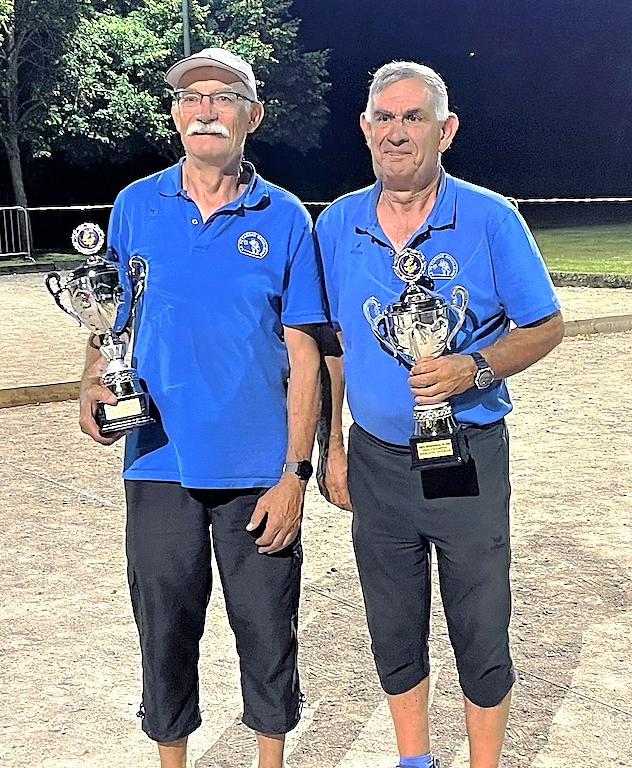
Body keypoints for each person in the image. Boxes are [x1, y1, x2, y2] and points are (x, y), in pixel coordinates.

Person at [77, 47, 326, 768]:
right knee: (163, 630)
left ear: (253, 114)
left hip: (257, 468)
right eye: (191, 98)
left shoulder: (283, 218)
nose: (205, 109)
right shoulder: (135, 204)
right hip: (157, 458)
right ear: (176, 116)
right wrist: (92, 380)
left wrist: (295, 474)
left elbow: (305, 354)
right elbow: (109, 320)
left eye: (223, 96)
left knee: (267, 632)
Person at [314, 61, 564, 768]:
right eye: (384, 118)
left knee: (480, 626)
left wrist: (473, 366)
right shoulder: (336, 225)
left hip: (468, 455)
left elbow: (544, 325)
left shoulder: (489, 217)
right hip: (377, 461)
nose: (398, 132)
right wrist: (330, 448)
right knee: (392, 626)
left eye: (413, 117)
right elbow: (329, 346)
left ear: (445, 130)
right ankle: (414, 760)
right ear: (365, 131)